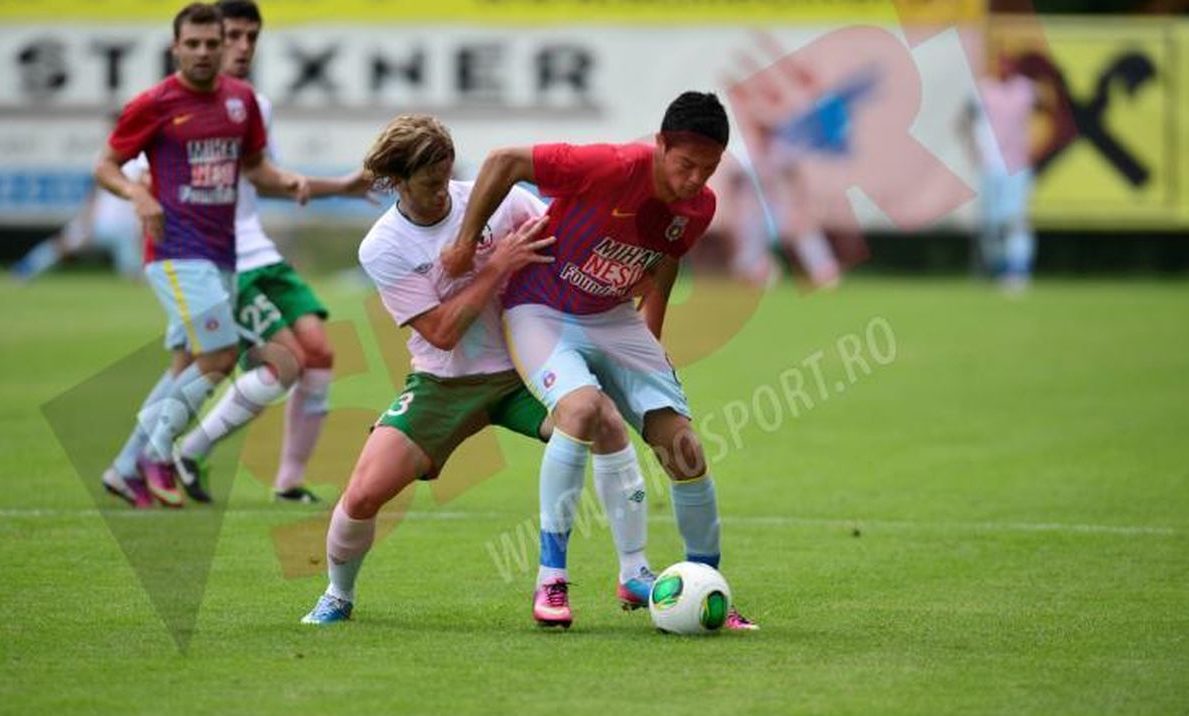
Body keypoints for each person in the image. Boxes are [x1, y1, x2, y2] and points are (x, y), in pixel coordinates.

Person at [301, 115, 655, 626]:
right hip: (445, 383)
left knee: (604, 421)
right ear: (395, 182)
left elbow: (564, 251)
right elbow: (441, 332)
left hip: (525, 369)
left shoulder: (502, 202)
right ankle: (338, 594)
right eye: (429, 183)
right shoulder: (383, 245)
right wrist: (497, 265)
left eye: (446, 176)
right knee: (362, 494)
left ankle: (634, 571)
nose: (441, 192)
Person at [442, 91, 758, 630]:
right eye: (685, 164)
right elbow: (503, 161)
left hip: (612, 318)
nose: (695, 180)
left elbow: (664, 262)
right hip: (541, 310)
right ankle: (551, 580)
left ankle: (709, 588)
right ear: (661, 145)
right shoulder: (610, 166)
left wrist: (650, 338)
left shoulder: (700, 207)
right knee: (581, 410)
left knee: (685, 450)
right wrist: (465, 243)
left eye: (708, 169)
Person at [96, 2, 311, 507]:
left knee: (187, 366)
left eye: (213, 43)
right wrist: (137, 194)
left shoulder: (241, 101)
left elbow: (255, 167)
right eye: (192, 44)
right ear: (175, 48)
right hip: (175, 249)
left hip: (223, 250)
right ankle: (157, 452)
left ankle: (124, 469)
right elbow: (106, 165)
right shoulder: (154, 103)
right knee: (220, 353)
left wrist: (288, 180)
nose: (204, 52)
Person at [173, 0, 374, 505]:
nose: (242, 47)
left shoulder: (252, 105)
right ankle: (187, 451)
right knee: (284, 361)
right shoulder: (178, 106)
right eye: (233, 36)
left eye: (252, 37)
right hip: (222, 259)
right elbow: (145, 177)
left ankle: (288, 482)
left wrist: (340, 187)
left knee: (320, 353)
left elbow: (269, 180)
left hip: (259, 252)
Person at [967, 51, 1038, 293]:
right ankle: (1000, 270)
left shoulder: (1026, 90)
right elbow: (967, 120)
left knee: (1015, 220)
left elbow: (1050, 111)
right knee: (992, 224)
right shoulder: (984, 90)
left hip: (1017, 165)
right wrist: (974, 149)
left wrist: (1037, 148)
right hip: (991, 165)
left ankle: (1018, 271)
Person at [10, 161, 144, 281]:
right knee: (61, 246)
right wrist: (87, 221)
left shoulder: (141, 164)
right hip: (99, 222)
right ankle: (22, 270)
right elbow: (94, 194)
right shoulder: (114, 158)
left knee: (133, 272)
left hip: (124, 228)